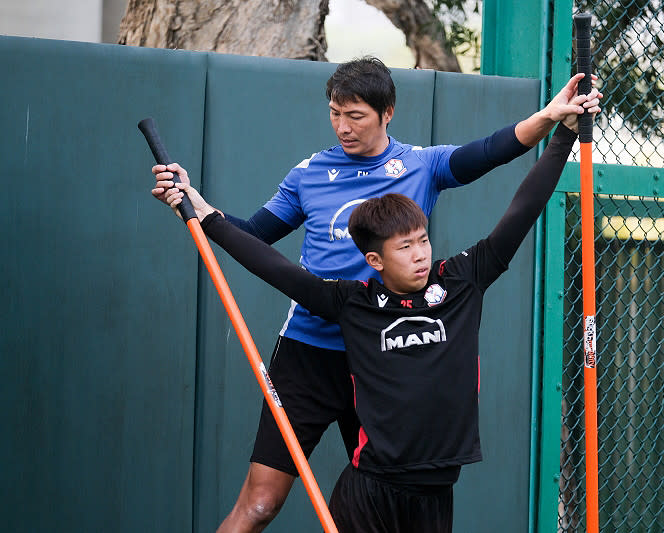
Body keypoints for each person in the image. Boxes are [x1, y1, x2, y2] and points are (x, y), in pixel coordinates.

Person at [152, 57, 600, 531]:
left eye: (356, 115)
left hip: (381, 358)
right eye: (334, 113)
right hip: (311, 350)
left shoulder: (421, 165)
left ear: (388, 112)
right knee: (261, 504)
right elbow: (255, 237)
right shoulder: (308, 174)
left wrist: (552, 118)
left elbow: (489, 151)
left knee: (390, 490)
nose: (342, 127)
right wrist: (196, 205)